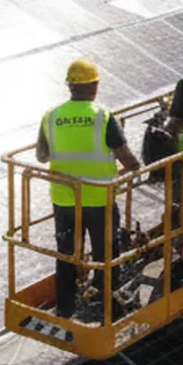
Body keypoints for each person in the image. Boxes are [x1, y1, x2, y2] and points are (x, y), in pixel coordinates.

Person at [35, 58, 141, 320]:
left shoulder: (51, 116)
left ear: (70, 86)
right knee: (107, 254)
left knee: (67, 254)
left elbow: (41, 156)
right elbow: (128, 160)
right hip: (98, 199)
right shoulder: (102, 116)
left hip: (64, 199)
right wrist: (129, 170)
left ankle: (65, 308)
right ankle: (105, 303)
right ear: (94, 86)